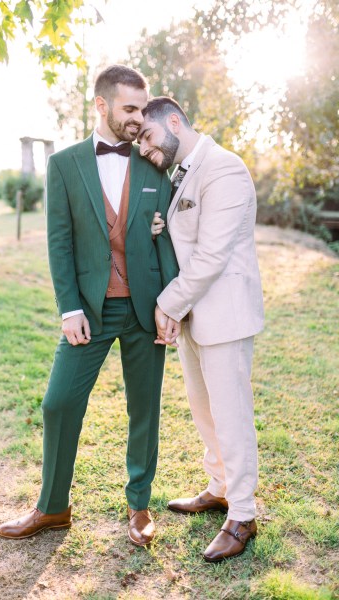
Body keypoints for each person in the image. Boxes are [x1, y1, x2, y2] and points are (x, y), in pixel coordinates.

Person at [0, 67, 178, 546]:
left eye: (143, 109)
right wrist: (68, 308)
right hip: (89, 312)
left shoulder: (154, 165)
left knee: (145, 409)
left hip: (146, 309)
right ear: (101, 105)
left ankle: (139, 507)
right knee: (58, 404)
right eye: (131, 109)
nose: (140, 119)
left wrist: (170, 303)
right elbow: (59, 242)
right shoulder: (65, 165)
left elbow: (166, 242)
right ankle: (53, 507)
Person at [138, 96, 264, 562]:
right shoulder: (180, 174)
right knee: (203, 410)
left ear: (174, 121)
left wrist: (166, 305)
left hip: (226, 314)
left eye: (148, 137)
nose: (146, 149)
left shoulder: (224, 169)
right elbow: (183, 237)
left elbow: (211, 254)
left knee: (231, 414)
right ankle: (220, 487)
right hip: (194, 315)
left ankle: (244, 514)